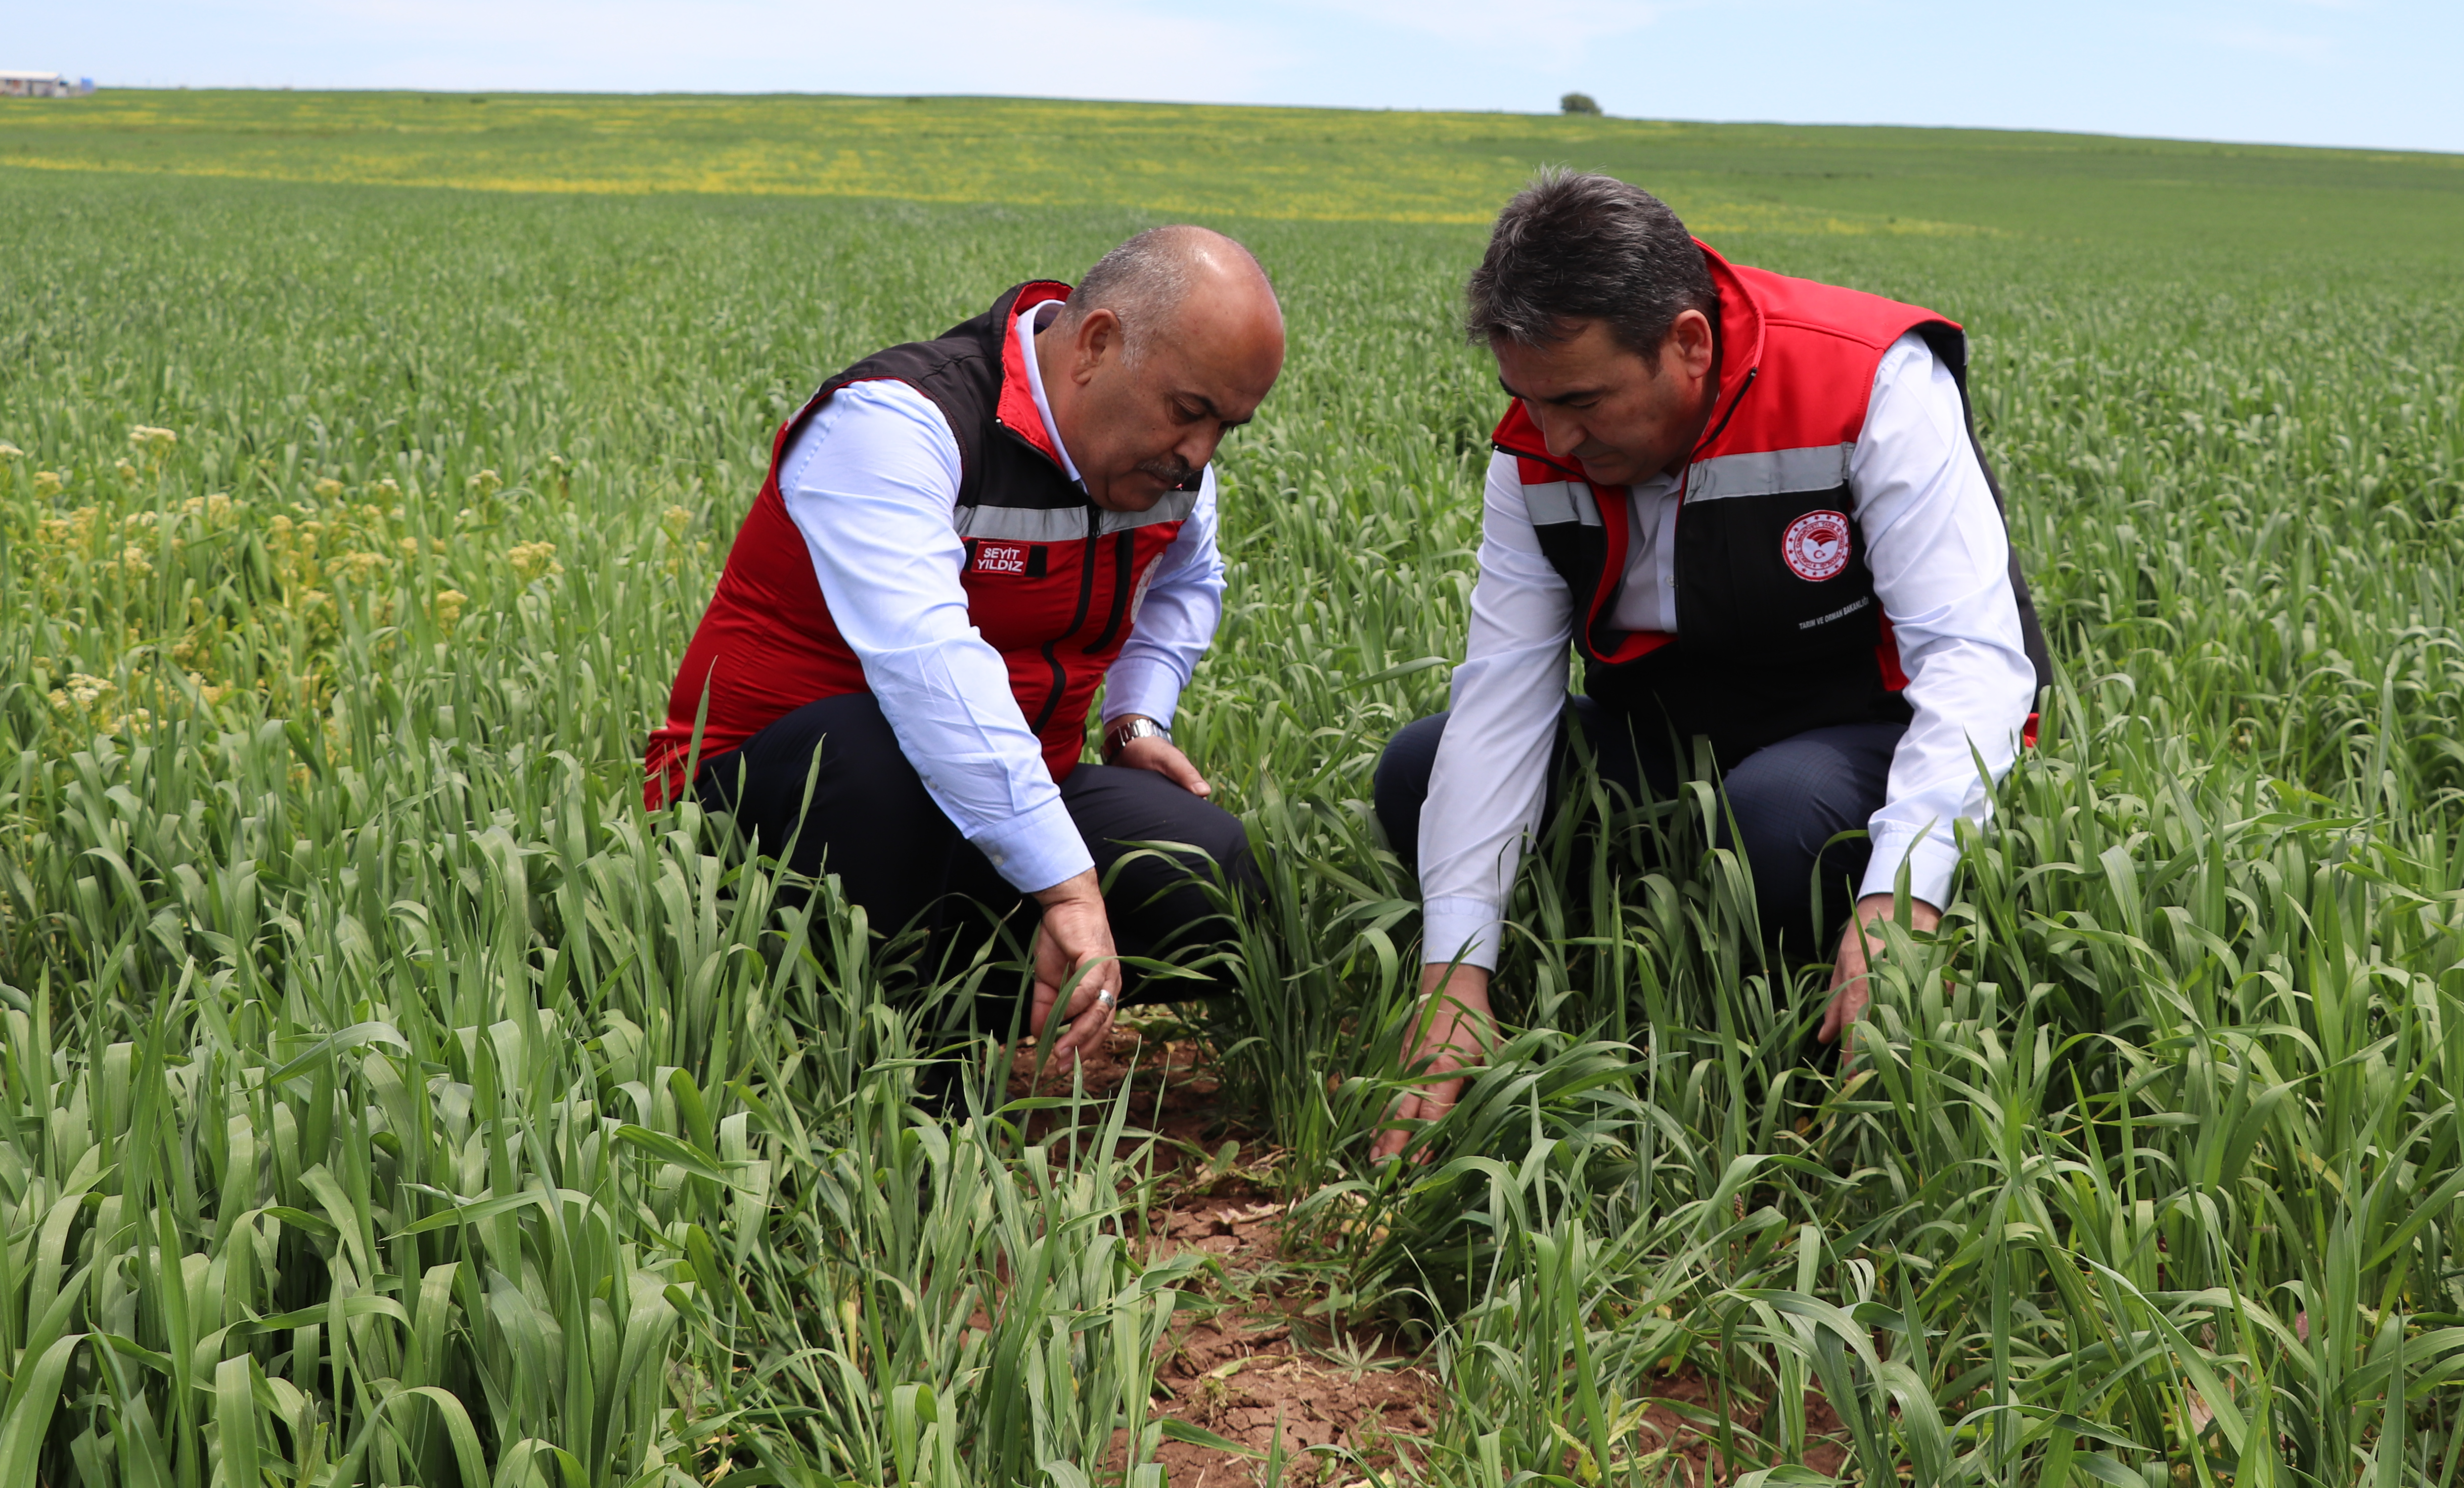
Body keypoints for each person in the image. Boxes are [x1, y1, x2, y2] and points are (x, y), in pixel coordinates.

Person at [1371, 172, 2051, 1160]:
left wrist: (1902, 896)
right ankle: (1628, 944)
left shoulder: (1869, 379)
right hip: (1668, 731)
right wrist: (1453, 970)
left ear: (1689, 343)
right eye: (1527, 399)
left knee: (1776, 814)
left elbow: (1975, 661)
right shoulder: (1535, 447)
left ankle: (1813, 1012)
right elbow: (1504, 700)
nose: (1553, 436)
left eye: (1582, 400)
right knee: (1421, 770)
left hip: (1855, 729)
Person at [646, 227, 1284, 1075]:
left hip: (994, 801)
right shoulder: (898, 422)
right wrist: (1068, 885)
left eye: (1226, 427)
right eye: (1189, 411)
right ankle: (874, 1059)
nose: (1200, 455)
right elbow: (928, 668)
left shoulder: (1156, 467)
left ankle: (951, 995)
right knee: (874, 763)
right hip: (764, 807)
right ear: (1097, 345)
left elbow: (1189, 578)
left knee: (1212, 878)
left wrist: (1135, 717)